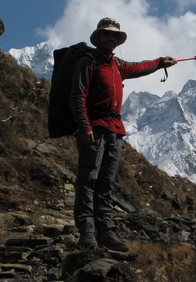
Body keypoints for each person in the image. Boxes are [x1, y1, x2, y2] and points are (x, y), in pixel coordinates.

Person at [69, 17, 177, 251]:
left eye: (114, 36)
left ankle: (105, 230)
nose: (111, 38)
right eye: (107, 34)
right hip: (94, 126)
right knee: (88, 178)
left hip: (114, 129)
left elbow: (139, 67)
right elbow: (77, 96)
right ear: (98, 38)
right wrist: (84, 126)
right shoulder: (88, 63)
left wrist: (160, 62)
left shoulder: (118, 65)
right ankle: (87, 232)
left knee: (106, 181)